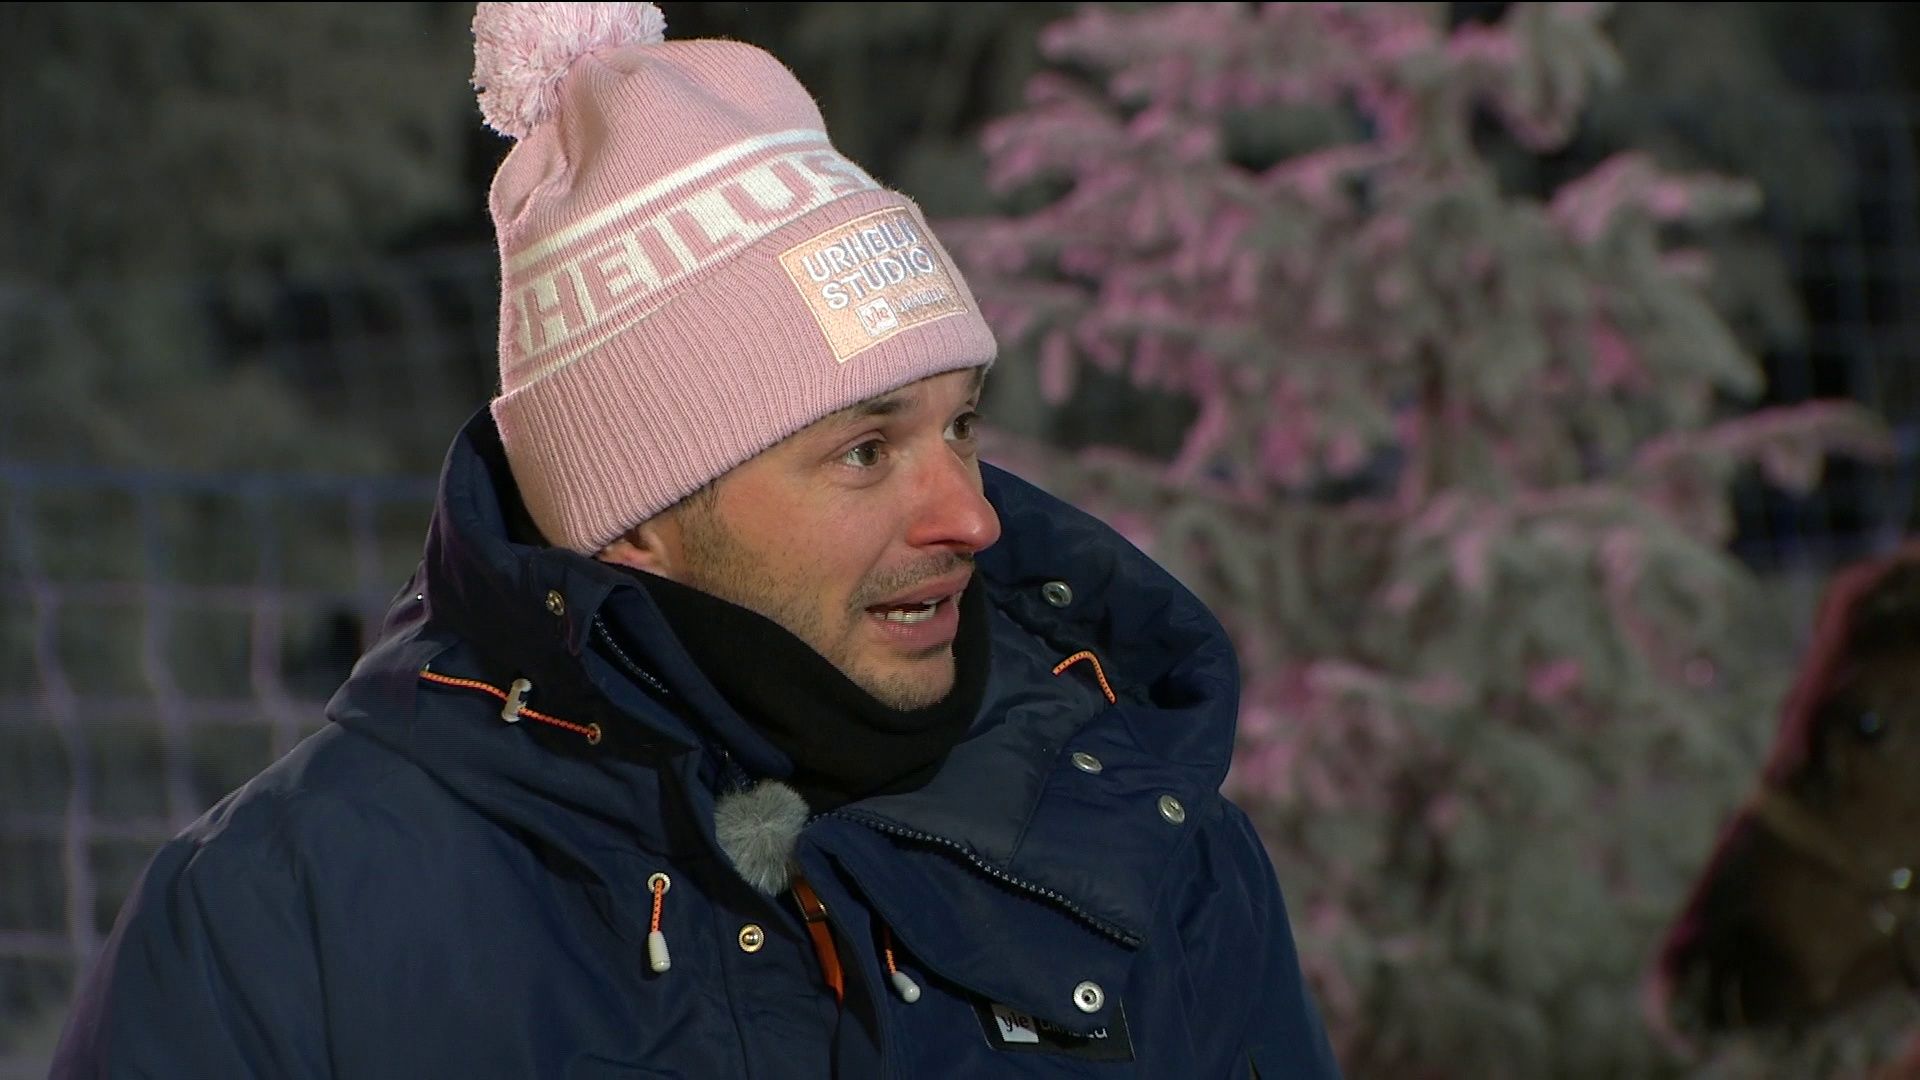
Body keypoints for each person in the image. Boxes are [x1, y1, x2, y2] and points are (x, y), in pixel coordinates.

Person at [52, 4, 1340, 1076]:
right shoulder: (285, 923)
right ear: (639, 517)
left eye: (960, 426)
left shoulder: (1144, 846)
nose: (972, 515)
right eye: (865, 450)